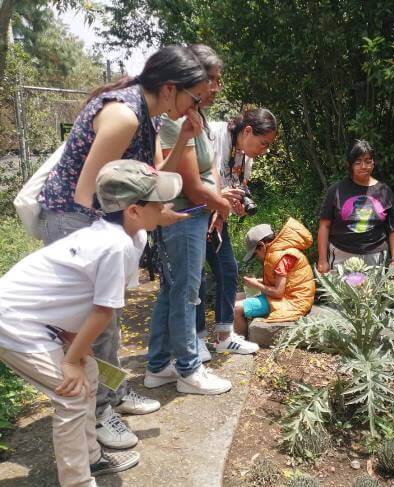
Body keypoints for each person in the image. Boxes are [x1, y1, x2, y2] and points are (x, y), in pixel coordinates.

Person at [36, 45, 208, 449]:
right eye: (193, 97)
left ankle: (110, 396)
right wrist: (124, 234)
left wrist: (183, 138)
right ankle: (95, 415)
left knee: (109, 320)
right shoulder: (124, 114)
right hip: (75, 222)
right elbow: (85, 192)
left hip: (102, 222)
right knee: (92, 322)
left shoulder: (147, 116)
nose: (195, 107)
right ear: (170, 88)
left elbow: (148, 181)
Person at [0, 159, 184, 486]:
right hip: (14, 321)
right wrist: (70, 360)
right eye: (157, 201)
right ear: (133, 210)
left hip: (36, 318)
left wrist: (75, 347)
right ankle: (77, 481)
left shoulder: (129, 234)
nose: (165, 205)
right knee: (71, 392)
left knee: (91, 373)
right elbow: (101, 312)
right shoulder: (114, 247)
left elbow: (76, 298)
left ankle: (90, 459)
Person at [143, 46, 253, 394]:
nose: (216, 88)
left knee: (172, 293)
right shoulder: (175, 120)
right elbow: (191, 185)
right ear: (195, 80)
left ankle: (158, 366)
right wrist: (220, 204)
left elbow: (211, 172)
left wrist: (219, 203)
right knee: (186, 294)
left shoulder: (198, 118)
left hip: (198, 215)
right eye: (213, 81)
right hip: (183, 216)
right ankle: (189, 370)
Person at [197, 108, 278, 354]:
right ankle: (196, 340)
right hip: (193, 215)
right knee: (196, 278)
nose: (264, 151)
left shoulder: (246, 158)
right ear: (247, 131)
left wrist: (236, 207)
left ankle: (224, 335)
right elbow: (190, 178)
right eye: (263, 144)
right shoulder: (211, 135)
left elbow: (234, 190)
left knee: (229, 270)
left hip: (218, 220)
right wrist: (216, 196)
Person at [317, 139, 394, 273]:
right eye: (358, 162)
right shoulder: (336, 190)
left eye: (368, 161)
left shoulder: (384, 191)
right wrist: (322, 260)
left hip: (375, 256)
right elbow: (324, 225)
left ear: (373, 163)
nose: (364, 166)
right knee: (339, 294)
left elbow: (393, 229)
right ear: (350, 165)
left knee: (371, 294)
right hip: (340, 256)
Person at [233, 218, 316, 336]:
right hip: (286, 296)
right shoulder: (277, 252)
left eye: (255, 253)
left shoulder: (281, 257)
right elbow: (283, 281)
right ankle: (238, 332)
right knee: (235, 297)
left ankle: (241, 344)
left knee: (237, 308)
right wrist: (258, 281)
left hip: (293, 301)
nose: (256, 257)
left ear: (262, 245)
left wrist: (256, 285)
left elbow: (278, 292)